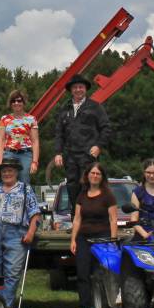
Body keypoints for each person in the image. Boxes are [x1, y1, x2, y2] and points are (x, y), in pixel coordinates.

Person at [0, 159, 40, 308]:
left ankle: (5, 307)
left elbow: (35, 214)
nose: (7, 173)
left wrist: (31, 233)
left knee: (12, 271)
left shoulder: (25, 189)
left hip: (16, 232)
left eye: (10, 170)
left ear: (16, 172)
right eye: (4, 171)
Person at [52, 73, 111, 212]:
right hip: (70, 155)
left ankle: (92, 213)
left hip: (88, 154)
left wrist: (98, 146)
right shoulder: (64, 108)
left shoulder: (95, 107)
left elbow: (106, 128)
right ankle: (76, 214)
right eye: (75, 87)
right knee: (72, 185)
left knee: (89, 183)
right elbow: (59, 133)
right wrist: (58, 153)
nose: (78, 90)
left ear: (85, 89)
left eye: (81, 87)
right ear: (71, 90)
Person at [69, 162, 117, 308]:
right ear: (87, 175)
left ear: (102, 177)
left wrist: (113, 240)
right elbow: (77, 219)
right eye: (92, 173)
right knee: (83, 273)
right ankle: (85, 307)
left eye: (98, 174)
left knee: (99, 273)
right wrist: (73, 240)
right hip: (83, 238)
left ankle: (100, 306)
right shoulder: (81, 195)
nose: (95, 176)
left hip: (102, 238)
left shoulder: (107, 195)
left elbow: (113, 219)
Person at [0, 89, 39, 186]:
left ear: (23, 102)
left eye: (19, 100)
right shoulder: (4, 119)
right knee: (7, 181)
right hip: (9, 153)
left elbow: (35, 141)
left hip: (25, 154)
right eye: (13, 101)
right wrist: (0, 161)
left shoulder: (31, 119)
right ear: (10, 103)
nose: (16, 103)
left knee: (24, 181)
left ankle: (24, 201)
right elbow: (1, 140)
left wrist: (35, 162)